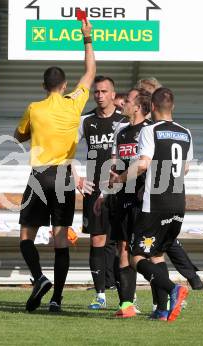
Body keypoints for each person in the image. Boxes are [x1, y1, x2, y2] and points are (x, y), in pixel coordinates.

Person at [14, 19, 95, 313]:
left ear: (43, 86)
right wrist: (86, 38)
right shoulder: (74, 103)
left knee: (26, 236)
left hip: (39, 176)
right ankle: (57, 299)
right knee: (60, 240)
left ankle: (38, 278)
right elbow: (90, 72)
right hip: (63, 177)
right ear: (63, 86)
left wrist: (32, 132)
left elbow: (18, 135)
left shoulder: (34, 108)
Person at [110, 87, 191, 322]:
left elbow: (143, 164)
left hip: (155, 202)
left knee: (136, 256)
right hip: (178, 202)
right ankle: (162, 310)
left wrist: (121, 179)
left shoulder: (150, 131)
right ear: (172, 107)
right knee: (158, 254)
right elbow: (184, 168)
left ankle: (173, 288)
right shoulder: (186, 133)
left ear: (152, 108)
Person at [78, 75, 127, 309]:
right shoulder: (84, 121)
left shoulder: (124, 122)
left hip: (119, 190)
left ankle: (127, 297)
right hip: (94, 189)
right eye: (96, 92)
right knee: (97, 240)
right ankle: (100, 295)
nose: (99, 96)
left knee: (122, 244)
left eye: (104, 92)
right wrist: (75, 176)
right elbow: (64, 149)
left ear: (113, 95)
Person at [110, 88, 153, 318]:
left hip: (144, 200)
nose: (122, 103)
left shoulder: (150, 131)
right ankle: (127, 305)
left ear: (137, 107)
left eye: (126, 101)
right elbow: (117, 163)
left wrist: (146, 189)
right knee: (123, 249)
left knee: (150, 251)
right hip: (123, 197)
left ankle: (163, 298)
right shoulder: (122, 131)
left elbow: (155, 165)